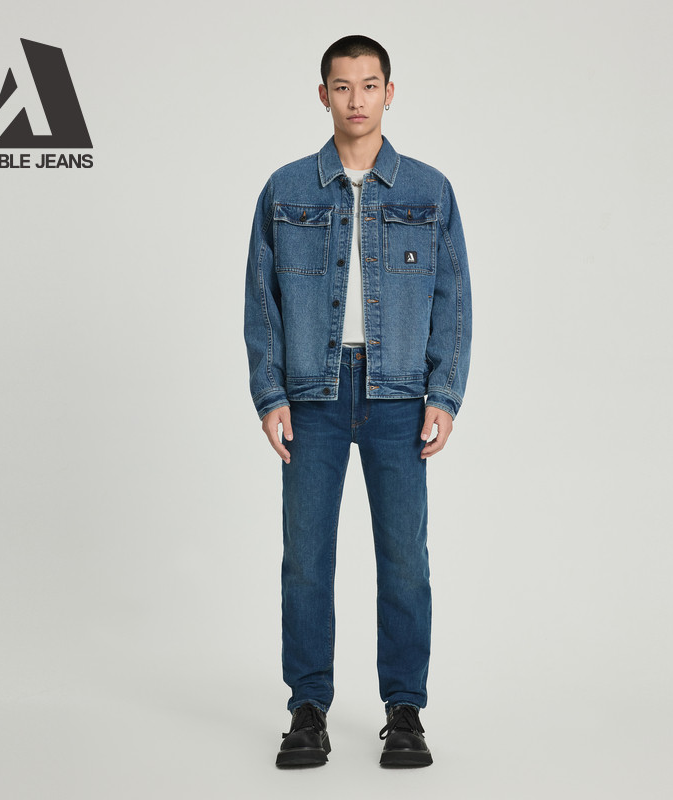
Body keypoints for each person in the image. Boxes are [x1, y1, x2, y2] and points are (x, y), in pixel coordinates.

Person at [243, 34, 472, 768]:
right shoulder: (286, 189)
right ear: (324, 95)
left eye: (369, 86)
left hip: (399, 392)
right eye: (342, 87)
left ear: (389, 93)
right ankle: (307, 709)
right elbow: (262, 300)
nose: (356, 100)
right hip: (311, 394)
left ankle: (404, 711)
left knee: (405, 559)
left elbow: (453, 299)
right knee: (306, 559)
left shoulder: (429, 190)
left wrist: (444, 392)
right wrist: (270, 392)